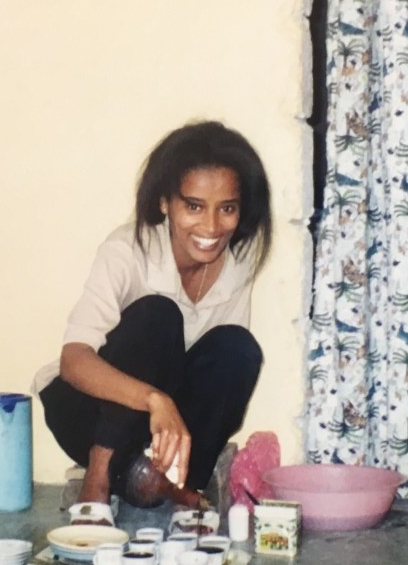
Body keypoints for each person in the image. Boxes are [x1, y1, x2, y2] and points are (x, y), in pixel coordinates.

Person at [32, 119, 272, 508]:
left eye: (226, 208)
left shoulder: (236, 263)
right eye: (194, 206)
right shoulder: (128, 249)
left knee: (238, 348)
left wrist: (168, 407)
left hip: (161, 429)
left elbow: (217, 380)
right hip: (85, 414)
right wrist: (155, 400)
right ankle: (97, 480)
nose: (211, 226)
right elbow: (73, 362)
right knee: (159, 316)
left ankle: (175, 483)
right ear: (165, 202)